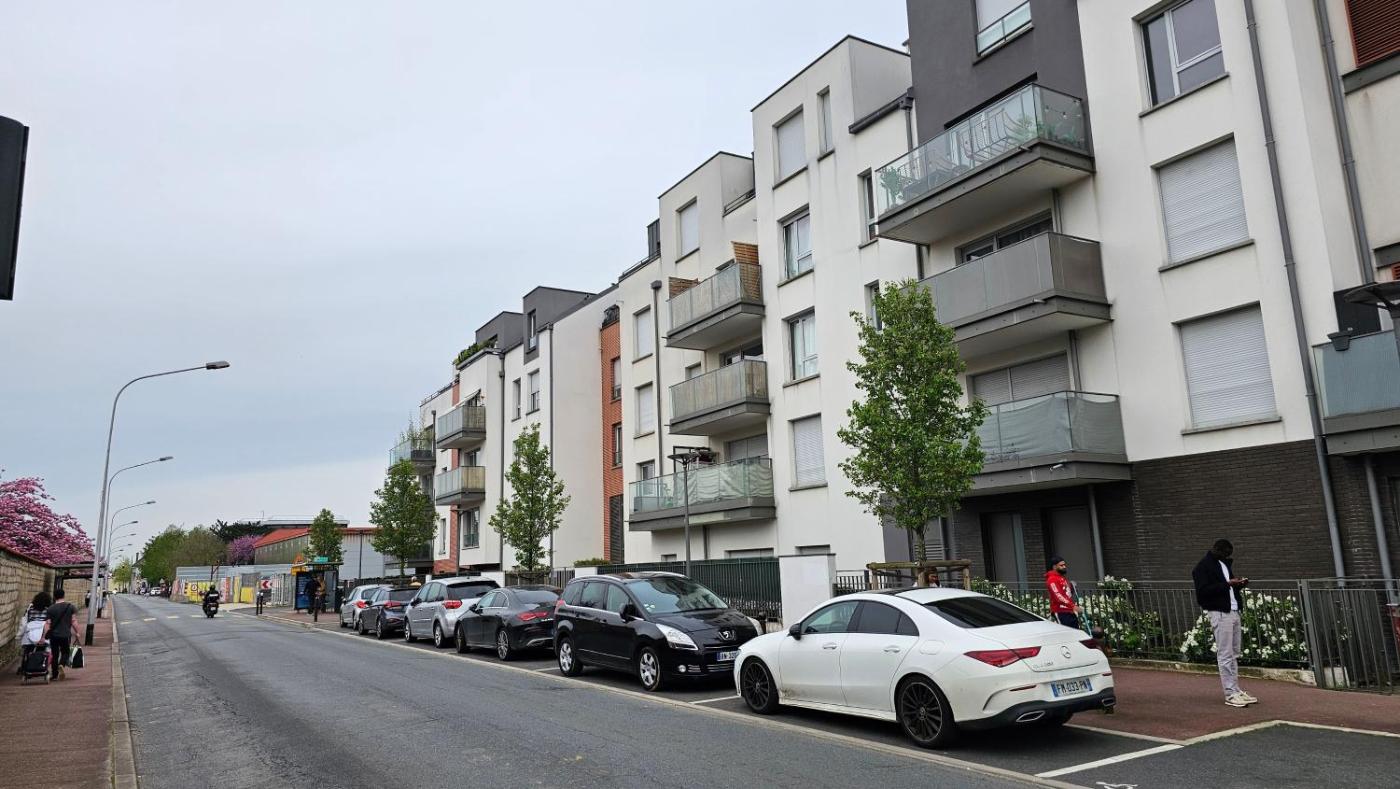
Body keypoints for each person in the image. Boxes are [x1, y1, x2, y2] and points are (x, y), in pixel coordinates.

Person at [1192, 539, 1257, 708]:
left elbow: (1226, 588)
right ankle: (1230, 693)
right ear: (1217, 550)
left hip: (1233, 611)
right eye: (1226, 553)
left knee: (1234, 653)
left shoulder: (1224, 564)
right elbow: (1202, 592)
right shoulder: (1202, 567)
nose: (1228, 556)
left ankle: (1235, 689)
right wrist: (1227, 584)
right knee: (1226, 654)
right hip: (1220, 613)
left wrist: (1238, 585)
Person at [42, 589, 78, 681]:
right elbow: (73, 621)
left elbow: (47, 624)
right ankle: (61, 664)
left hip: (54, 636)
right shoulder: (70, 607)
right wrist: (77, 632)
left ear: (54, 596)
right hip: (65, 635)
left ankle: (54, 675)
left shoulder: (50, 608)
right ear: (64, 595)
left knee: (55, 654)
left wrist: (44, 636)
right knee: (65, 652)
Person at [15, 591, 52, 675]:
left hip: (30, 633)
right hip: (42, 633)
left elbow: (25, 620)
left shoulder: (30, 607)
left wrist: (20, 634)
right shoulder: (48, 609)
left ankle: (25, 667)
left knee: (27, 651)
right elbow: (48, 623)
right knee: (41, 651)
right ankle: (39, 667)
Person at [1045, 555, 1080, 630]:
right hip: (1060, 611)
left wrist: (1072, 587)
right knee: (1066, 631)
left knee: (1075, 632)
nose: (1064, 567)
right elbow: (1058, 596)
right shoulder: (1052, 579)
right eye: (1061, 565)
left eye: (1064, 565)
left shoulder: (1062, 578)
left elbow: (1067, 594)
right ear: (1054, 567)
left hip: (1069, 610)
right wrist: (1073, 606)